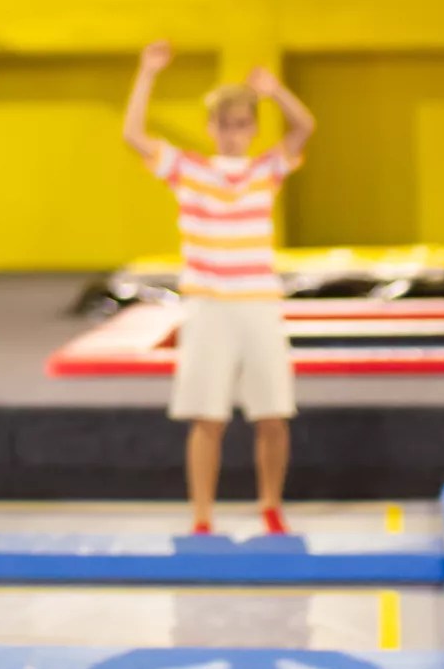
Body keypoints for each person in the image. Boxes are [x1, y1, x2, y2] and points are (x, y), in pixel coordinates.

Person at [121, 41, 316, 534]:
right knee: (207, 418)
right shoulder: (189, 169)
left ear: (251, 128)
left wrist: (275, 92)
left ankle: (270, 505)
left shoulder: (264, 170)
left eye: (241, 125)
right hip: (208, 306)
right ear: (210, 129)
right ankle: (202, 518)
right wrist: (147, 73)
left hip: (258, 305)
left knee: (273, 415)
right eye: (223, 125)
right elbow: (133, 134)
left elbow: (305, 128)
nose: (231, 135)